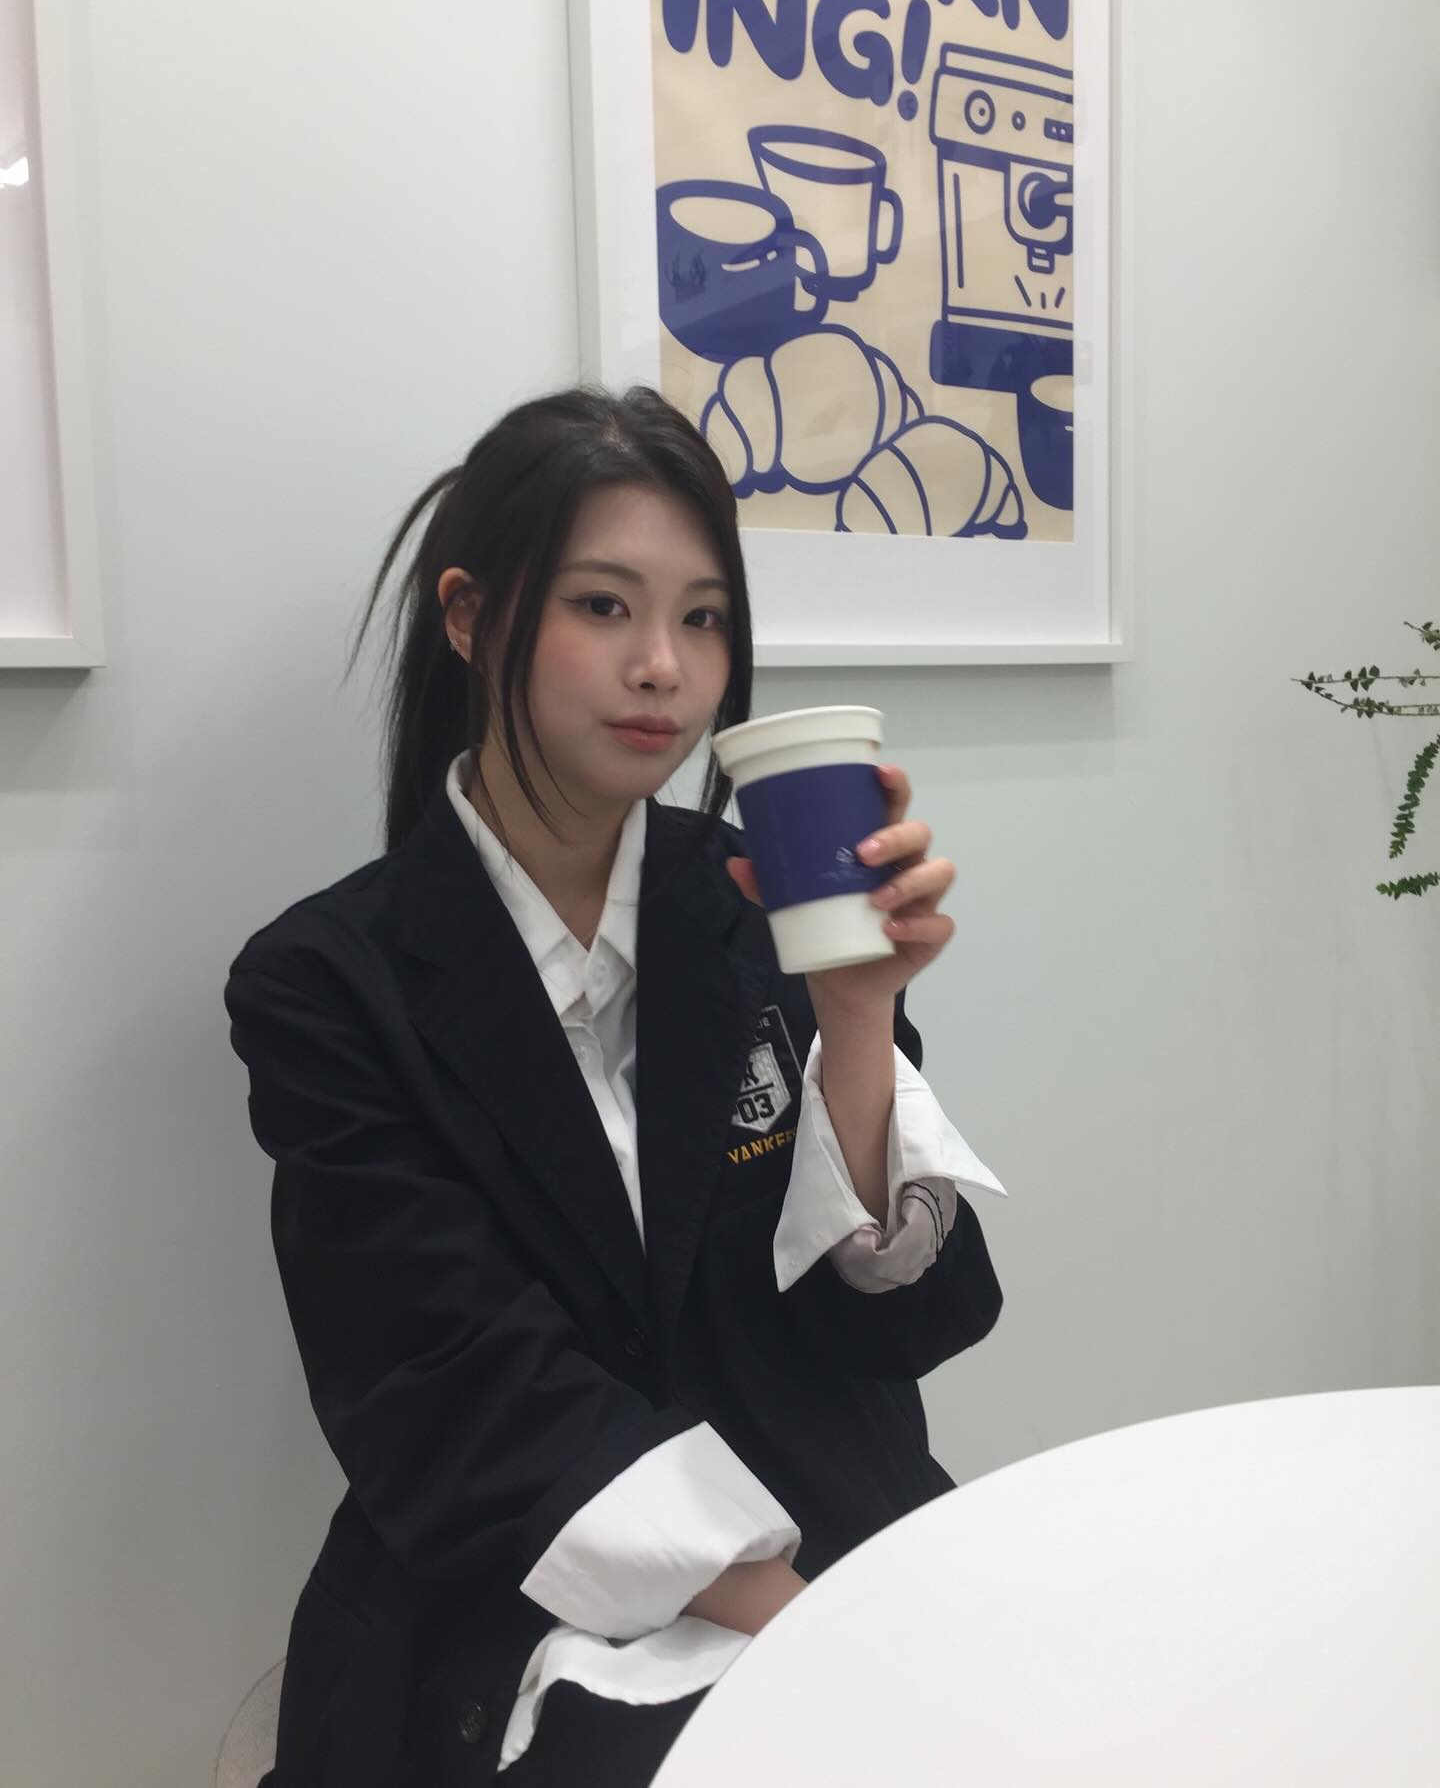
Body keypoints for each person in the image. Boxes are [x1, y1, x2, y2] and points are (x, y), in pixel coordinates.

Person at [225, 385, 1006, 1788]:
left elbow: (900, 1322)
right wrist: (811, 1629)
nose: (665, 668)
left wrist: (860, 1016)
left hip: (836, 1523)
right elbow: (450, 1383)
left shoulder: (766, 898)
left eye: (704, 619)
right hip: (519, 1583)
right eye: (604, 606)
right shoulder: (330, 982)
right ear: (471, 617)